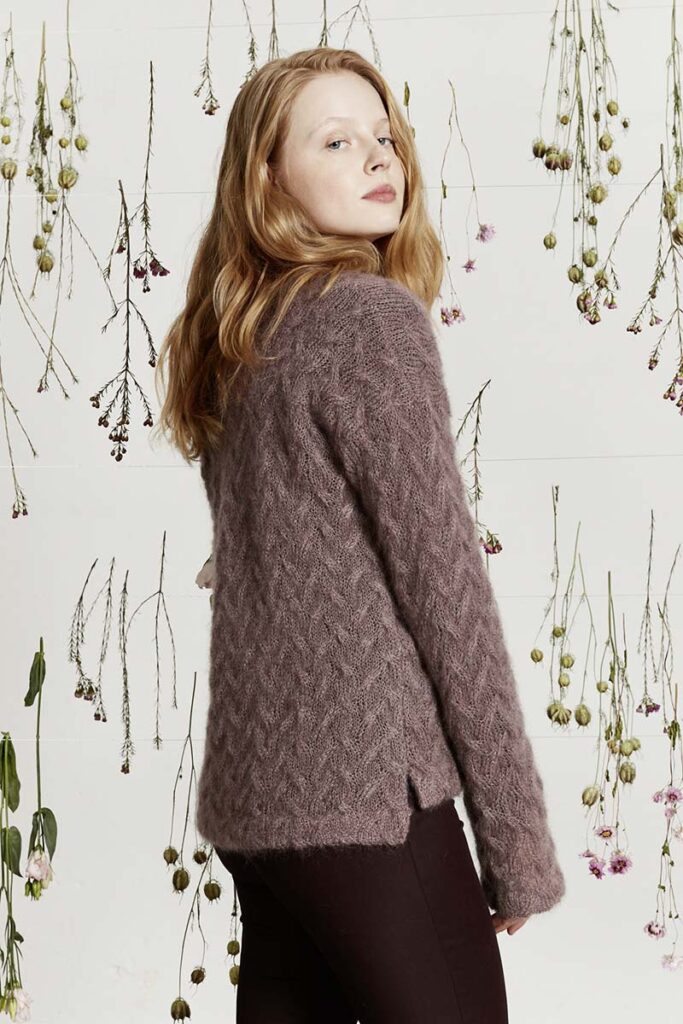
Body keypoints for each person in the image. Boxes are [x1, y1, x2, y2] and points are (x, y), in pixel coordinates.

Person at [155, 46, 566, 1024]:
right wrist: (515, 843)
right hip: (369, 797)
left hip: (258, 803)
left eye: (382, 135)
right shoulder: (366, 322)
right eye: (334, 141)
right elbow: (444, 594)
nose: (378, 155)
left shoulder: (239, 338)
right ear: (267, 179)